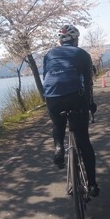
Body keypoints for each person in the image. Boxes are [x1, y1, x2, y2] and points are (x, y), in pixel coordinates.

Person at [43, 24, 99, 197]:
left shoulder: (49, 54)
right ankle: (92, 185)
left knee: (58, 125)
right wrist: (90, 104)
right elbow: (88, 82)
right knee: (83, 139)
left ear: (60, 41)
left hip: (52, 97)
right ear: (76, 40)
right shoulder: (82, 54)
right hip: (76, 96)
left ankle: (59, 147)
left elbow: (47, 76)